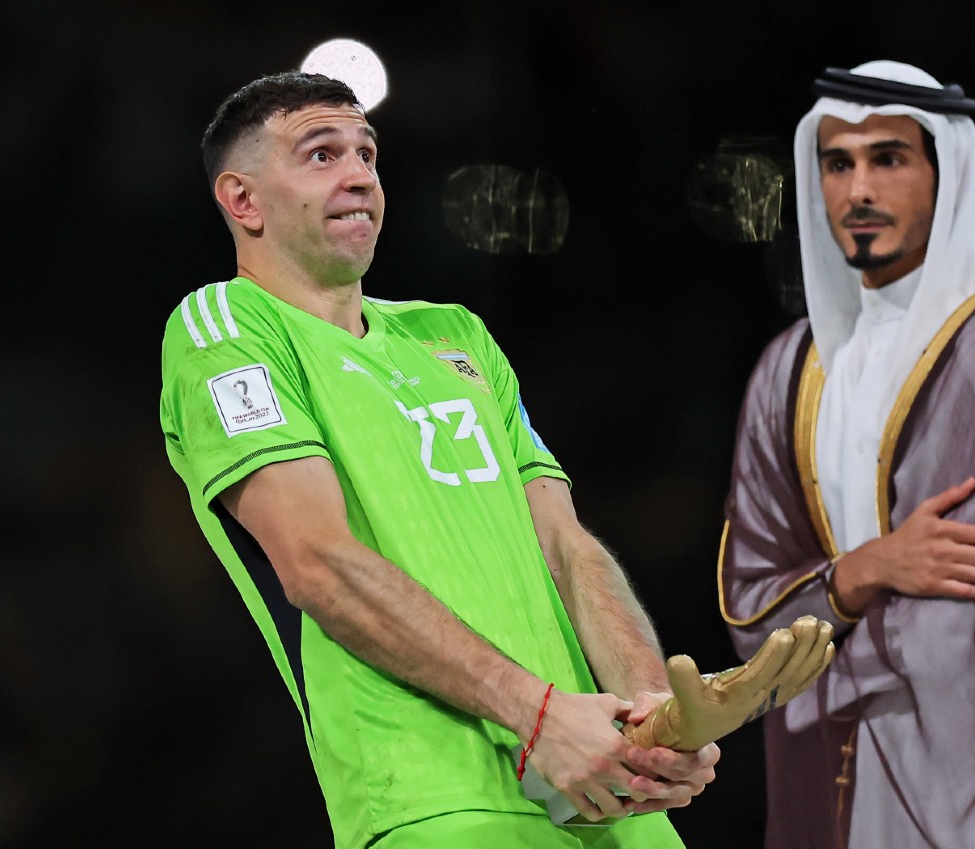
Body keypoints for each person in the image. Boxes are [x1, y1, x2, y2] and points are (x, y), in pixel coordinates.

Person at [159, 71, 720, 849]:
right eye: (321, 155)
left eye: (366, 153)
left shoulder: (455, 335)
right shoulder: (225, 328)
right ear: (243, 200)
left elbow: (567, 544)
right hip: (433, 799)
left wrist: (653, 714)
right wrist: (537, 715)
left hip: (598, 785)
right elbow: (317, 563)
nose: (360, 175)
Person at [717, 60, 975, 848]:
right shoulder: (786, 370)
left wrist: (805, 671)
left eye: (888, 159)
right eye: (837, 163)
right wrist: (864, 570)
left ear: (947, 174)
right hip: (823, 780)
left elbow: (960, 596)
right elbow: (748, 608)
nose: (857, 190)